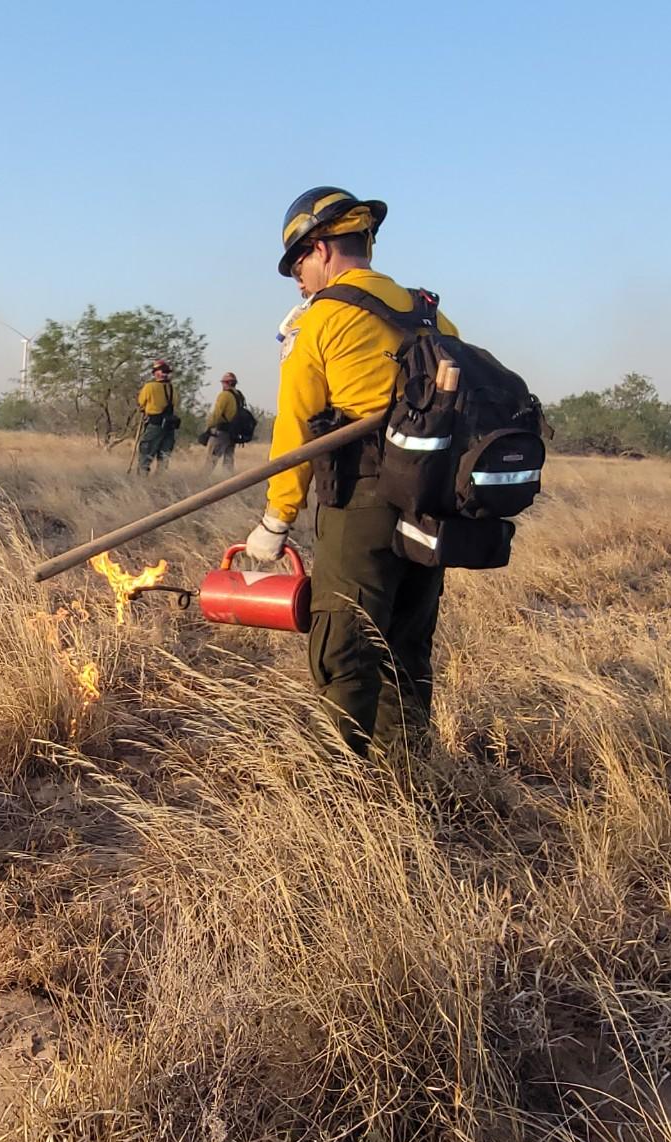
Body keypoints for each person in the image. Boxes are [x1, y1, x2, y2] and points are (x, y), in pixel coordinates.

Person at [245, 186, 454, 757]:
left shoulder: (322, 321)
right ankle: (405, 780)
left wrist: (276, 519)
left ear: (321, 248)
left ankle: (341, 795)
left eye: (299, 266)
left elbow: (295, 429)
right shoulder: (431, 315)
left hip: (361, 501)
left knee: (344, 643)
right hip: (431, 505)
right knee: (406, 646)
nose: (299, 280)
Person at [134, 359, 178, 474]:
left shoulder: (149, 387)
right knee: (164, 457)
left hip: (154, 425)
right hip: (169, 427)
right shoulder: (172, 388)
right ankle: (160, 483)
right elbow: (175, 403)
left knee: (146, 453)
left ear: (156, 373)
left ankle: (142, 481)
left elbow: (141, 402)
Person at [200, 372, 247, 472]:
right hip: (233, 433)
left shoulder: (224, 395)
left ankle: (201, 481)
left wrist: (208, 427)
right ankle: (229, 482)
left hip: (221, 432)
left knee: (211, 460)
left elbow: (216, 414)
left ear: (227, 383)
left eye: (224, 382)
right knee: (228, 461)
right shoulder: (239, 396)